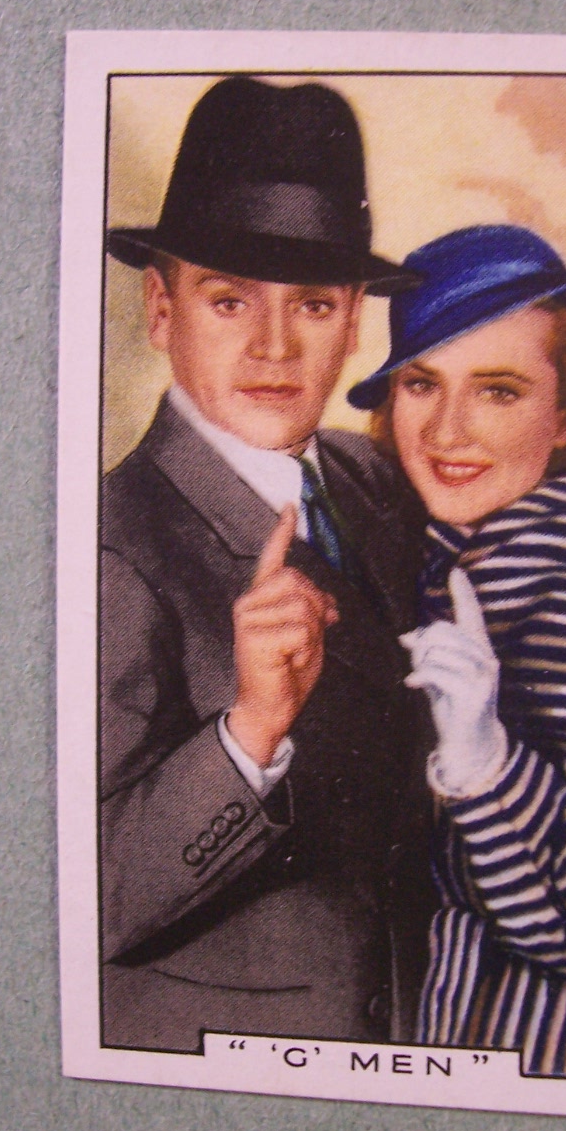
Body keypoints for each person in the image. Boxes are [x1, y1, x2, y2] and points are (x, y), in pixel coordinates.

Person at [99, 75, 432, 1053]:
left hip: (413, 1040)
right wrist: (250, 731)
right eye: (230, 299)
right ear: (161, 309)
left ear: (355, 322)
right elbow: (93, 895)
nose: (275, 346)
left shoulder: (380, 480)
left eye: (314, 304)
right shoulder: (115, 542)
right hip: (225, 1065)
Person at [347, 223, 566, 1079]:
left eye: (499, 391)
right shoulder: (430, 563)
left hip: (545, 1062)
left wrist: (489, 766)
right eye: (421, 384)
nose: (447, 430)